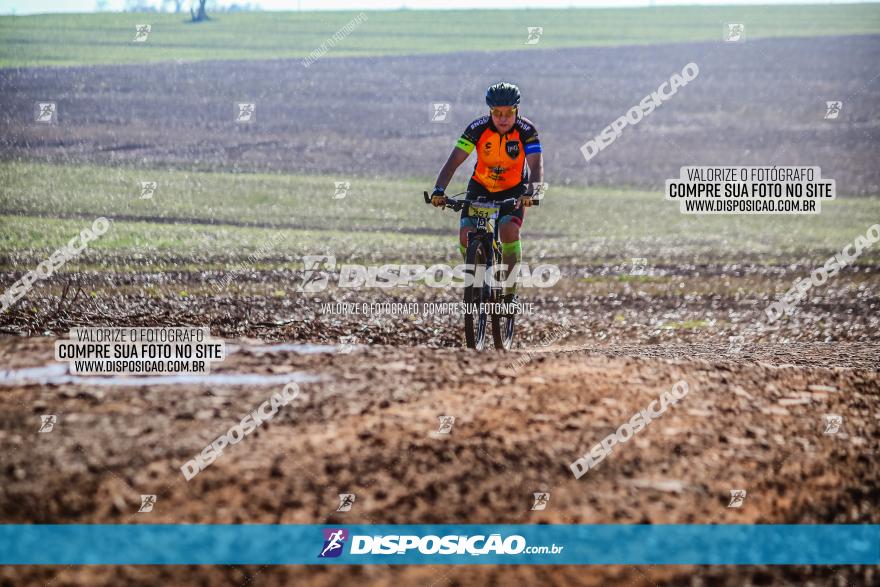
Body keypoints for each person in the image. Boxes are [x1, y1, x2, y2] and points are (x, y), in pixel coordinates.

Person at [429, 82, 544, 303]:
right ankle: (477, 275)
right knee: (466, 234)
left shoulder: (526, 131)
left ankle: (509, 294)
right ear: (490, 111)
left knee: (508, 229)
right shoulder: (477, 128)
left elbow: (536, 165)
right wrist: (439, 189)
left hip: (514, 189)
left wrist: (532, 192)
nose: (503, 118)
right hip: (481, 187)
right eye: (497, 113)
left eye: (508, 113)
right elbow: (453, 161)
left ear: (516, 110)